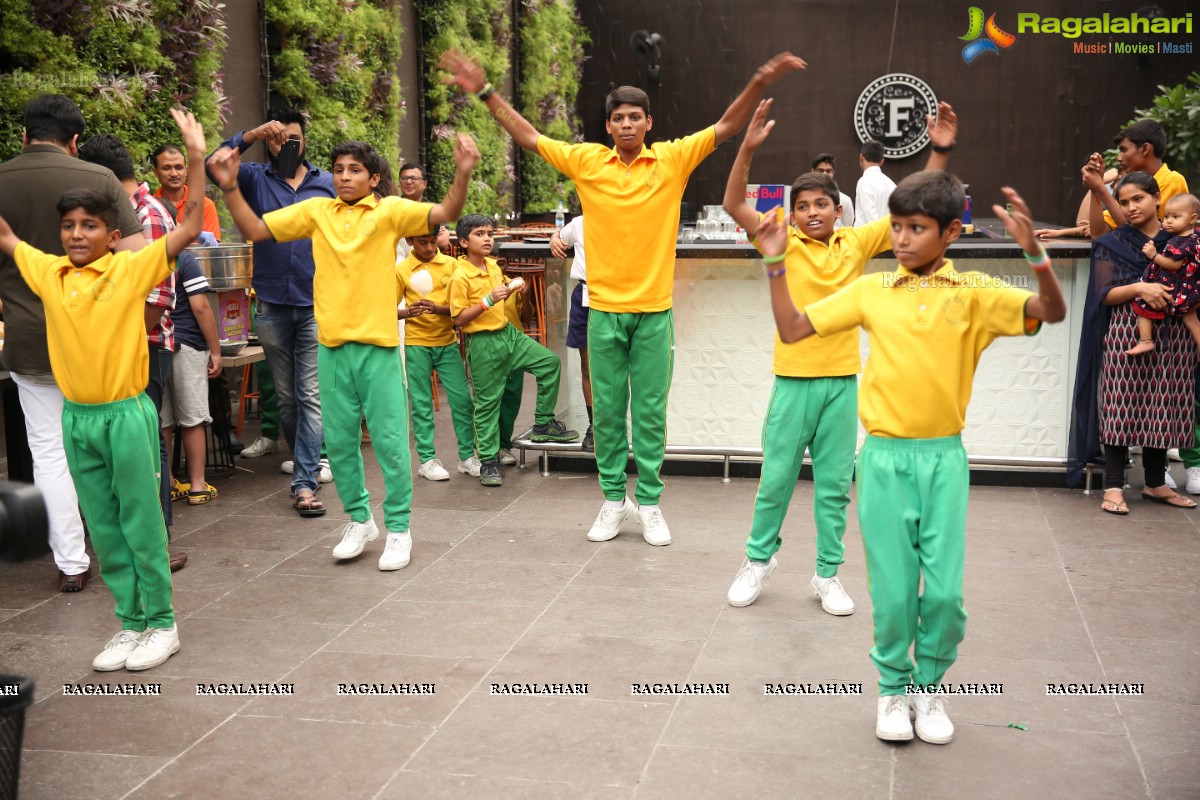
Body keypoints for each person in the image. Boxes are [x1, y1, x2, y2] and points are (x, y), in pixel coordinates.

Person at [440, 48, 807, 545]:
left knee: (651, 414)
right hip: (603, 311)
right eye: (618, 118)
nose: (627, 124)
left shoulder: (673, 158)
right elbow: (528, 136)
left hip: (654, 313)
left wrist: (760, 78)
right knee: (609, 414)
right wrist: (485, 91)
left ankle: (650, 503)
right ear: (608, 126)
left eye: (636, 117)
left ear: (648, 122)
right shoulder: (588, 161)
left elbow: (725, 126)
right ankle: (614, 500)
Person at [759, 173, 1066, 744]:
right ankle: (894, 692)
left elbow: (1051, 311)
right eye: (895, 226)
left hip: (944, 461)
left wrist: (1036, 254)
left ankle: (931, 685)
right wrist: (777, 264)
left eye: (916, 228)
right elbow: (794, 327)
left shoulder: (972, 291)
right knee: (895, 592)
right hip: (881, 461)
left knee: (946, 596)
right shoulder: (872, 291)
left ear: (951, 232)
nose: (900, 238)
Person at [721, 99, 957, 612]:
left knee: (833, 488)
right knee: (776, 480)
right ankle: (758, 560)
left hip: (843, 384)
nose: (811, 214)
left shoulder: (855, 244)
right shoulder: (779, 242)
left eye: (820, 205)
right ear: (792, 211)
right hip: (793, 383)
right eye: (802, 206)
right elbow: (733, 202)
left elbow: (914, 203)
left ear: (840, 209)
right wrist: (747, 148)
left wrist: (938, 151)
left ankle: (827, 574)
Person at [0, 107, 210, 672]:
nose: (76, 235)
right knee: (107, 527)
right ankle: (130, 623)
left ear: (113, 236)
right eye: (68, 226)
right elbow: (7, 237)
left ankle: (162, 624)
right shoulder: (49, 273)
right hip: (79, 419)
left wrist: (196, 155)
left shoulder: (129, 270)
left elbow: (188, 227)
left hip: (126, 416)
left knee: (141, 522)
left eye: (89, 226)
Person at [210, 134, 479, 568]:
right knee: (337, 444)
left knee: (391, 443)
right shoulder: (318, 211)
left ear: (374, 178)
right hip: (332, 345)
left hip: (378, 345)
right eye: (338, 170)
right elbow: (256, 230)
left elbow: (446, 213)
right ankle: (359, 519)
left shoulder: (390, 211)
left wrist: (463, 171)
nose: (345, 177)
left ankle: (398, 529)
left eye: (355, 170)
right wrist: (228, 187)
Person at [0, 94, 147, 592]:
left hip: (27, 340)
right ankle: (132, 551)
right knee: (116, 450)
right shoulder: (100, 180)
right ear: (74, 140)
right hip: (98, 345)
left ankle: (71, 563)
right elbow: (136, 260)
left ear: (24, 135)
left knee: (48, 453)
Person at [206, 108, 335, 515]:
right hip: (272, 304)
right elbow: (215, 164)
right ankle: (305, 464)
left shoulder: (327, 184)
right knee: (285, 398)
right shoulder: (254, 176)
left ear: (305, 141)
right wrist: (252, 132)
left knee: (310, 395)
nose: (285, 145)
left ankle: (304, 481)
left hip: (316, 304)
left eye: (292, 138)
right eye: (278, 139)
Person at [77, 133, 187, 571]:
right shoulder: (122, 211)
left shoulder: (147, 212)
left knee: (146, 440)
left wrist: (120, 338)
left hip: (146, 344)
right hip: (127, 343)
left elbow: (158, 295)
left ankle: (156, 541)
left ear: (101, 176)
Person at [1067, 172, 1198, 511]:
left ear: (1157, 198)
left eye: (1137, 199)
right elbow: (1103, 294)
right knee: (1119, 403)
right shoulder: (1115, 242)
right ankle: (1113, 486)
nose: (1130, 207)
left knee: (1162, 405)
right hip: (1128, 330)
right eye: (1123, 202)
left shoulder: (1183, 241)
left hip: (1175, 333)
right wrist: (1142, 287)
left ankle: (1155, 483)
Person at [449, 214, 577, 487]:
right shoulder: (460, 276)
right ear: (463, 242)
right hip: (482, 343)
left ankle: (543, 423)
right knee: (487, 404)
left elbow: (504, 298)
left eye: (489, 233)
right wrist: (487, 301)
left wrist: (517, 289)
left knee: (549, 363)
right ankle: (488, 462)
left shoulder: (494, 266)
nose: (487, 238)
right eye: (479, 234)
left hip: (509, 334)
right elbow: (458, 319)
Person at [398, 229, 481, 480]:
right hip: (416, 344)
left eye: (433, 241)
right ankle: (427, 460)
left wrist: (439, 309)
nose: (429, 247)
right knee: (422, 405)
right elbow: (386, 310)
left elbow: (461, 307)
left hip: (447, 342)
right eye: (422, 242)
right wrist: (407, 312)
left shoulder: (452, 264)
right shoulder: (401, 270)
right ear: (410, 240)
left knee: (462, 402)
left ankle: (467, 457)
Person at [161, 249, 224, 503]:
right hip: (186, 343)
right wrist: (216, 351)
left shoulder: (138, 254)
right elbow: (200, 307)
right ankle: (198, 485)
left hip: (153, 345)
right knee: (192, 418)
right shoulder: (183, 258)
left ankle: (168, 484)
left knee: (161, 420)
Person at [1086, 119, 1189, 238]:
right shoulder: (1130, 186)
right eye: (1124, 203)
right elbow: (1098, 233)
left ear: (1145, 149)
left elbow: (1141, 234)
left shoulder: (1172, 181)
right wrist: (1095, 188)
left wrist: (1101, 189)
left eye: (1124, 150)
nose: (1119, 158)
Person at [1126, 193, 1200, 356]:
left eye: (1175, 216)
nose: (1168, 221)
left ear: (1192, 218)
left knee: (1142, 301)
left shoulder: (1180, 242)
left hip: (1175, 286)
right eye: (1166, 217)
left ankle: (1146, 340)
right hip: (1190, 286)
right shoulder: (1194, 237)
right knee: (1190, 317)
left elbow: (1174, 264)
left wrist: (1153, 255)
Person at [549, 214, 594, 451]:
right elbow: (559, 235)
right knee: (588, 366)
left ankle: (613, 427)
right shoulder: (579, 222)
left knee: (618, 366)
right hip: (584, 296)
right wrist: (554, 238)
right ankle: (594, 427)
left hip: (619, 297)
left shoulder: (625, 214)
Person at [151, 143, 221, 241]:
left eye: (179, 167)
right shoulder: (149, 207)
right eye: (166, 168)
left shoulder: (205, 206)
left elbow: (210, 250)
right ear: (155, 172)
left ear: (186, 170)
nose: (174, 174)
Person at [854, 140, 895, 225]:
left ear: (861, 157)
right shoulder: (891, 184)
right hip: (887, 235)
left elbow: (870, 217)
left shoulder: (864, 182)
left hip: (869, 236)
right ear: (882, 161)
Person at [810, 153, 854, 228]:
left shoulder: (845, 200)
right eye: (820, 170)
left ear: (833, 173)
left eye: (828, 171)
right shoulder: (805, 198)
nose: (824, 174)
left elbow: (848, 228)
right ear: (812, 172)